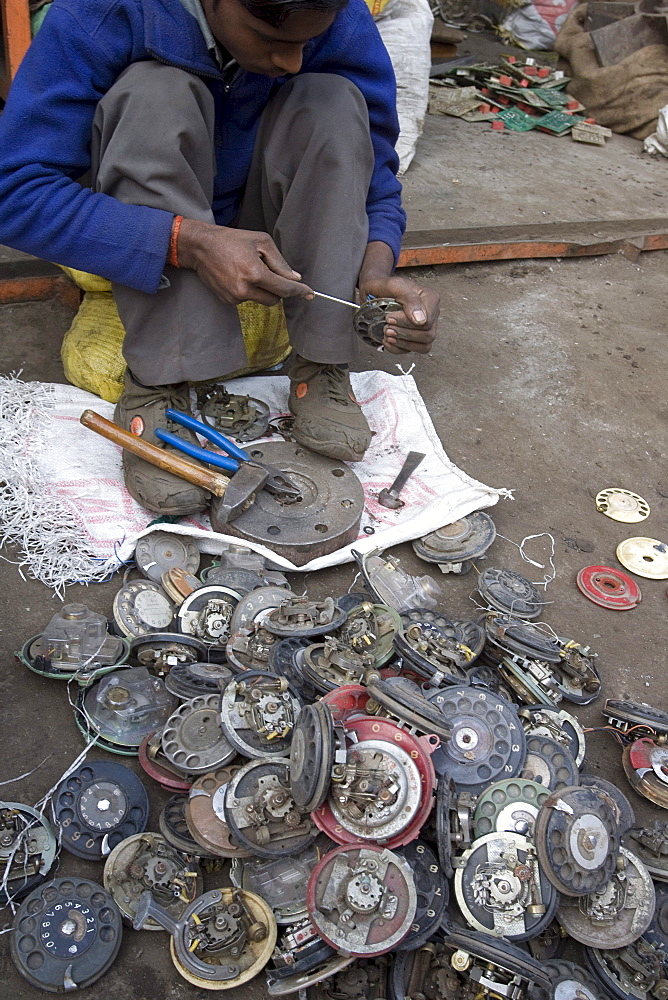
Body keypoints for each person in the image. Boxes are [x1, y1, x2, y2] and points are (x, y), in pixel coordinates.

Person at [0, 0, 440, 514]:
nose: (292, 61)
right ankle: (161, 380)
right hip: (132, 224)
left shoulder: (335, 13)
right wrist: (186, 239)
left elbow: (375, 171)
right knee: (154, 92)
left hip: (262, 221)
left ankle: (321, 362)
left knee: (334, 102)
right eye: (272, 41)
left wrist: (376, 263)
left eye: (304, 43)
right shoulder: (101, 14)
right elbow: (15, 194)